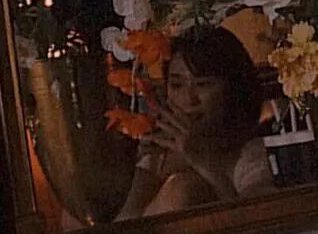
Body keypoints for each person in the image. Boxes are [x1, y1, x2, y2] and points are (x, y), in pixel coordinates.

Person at [116, 26, 275, 220]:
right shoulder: (159, 156)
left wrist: (203, 163)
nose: (188, 99)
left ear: (232, 89)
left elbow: (257, 221)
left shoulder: (249, 152)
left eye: (202, 84)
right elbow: (126, 225)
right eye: (176, 85)